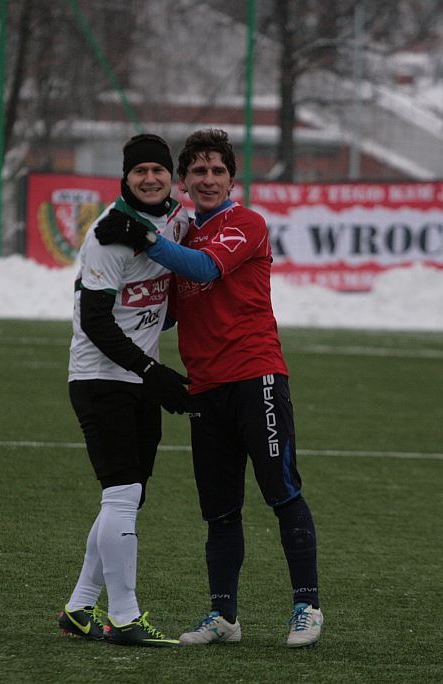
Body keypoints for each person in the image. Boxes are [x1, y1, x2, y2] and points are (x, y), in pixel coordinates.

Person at [95, 128, 323, 648]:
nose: (208, 179)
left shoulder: (246, 223)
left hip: (256, 377)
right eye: (198, 171)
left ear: (231, 178)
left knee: (282, 492)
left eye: (217, 170)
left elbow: (202, 268)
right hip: (204, 387)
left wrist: (145, 237)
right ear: (183, 181)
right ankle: (224, 617)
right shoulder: (179, 234)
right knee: (219, 510)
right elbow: (168, 310)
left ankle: (306, 605)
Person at [58, 133, 191, 648]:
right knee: (121, 494)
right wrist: (151, 371)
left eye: (159, 170)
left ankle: (79, 608)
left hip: (139, 377)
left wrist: (150, 371)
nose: (151, 178)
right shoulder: (108, 235)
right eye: (141, 172)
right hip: (100, 378)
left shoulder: (170, 221)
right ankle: (125, 617)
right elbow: (95, 319)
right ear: (126, 177)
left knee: (127, 498)